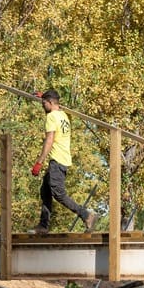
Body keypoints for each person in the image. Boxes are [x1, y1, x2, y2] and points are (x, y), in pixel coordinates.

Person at [31, 89, 98, 234]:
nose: (42, 106)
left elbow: (49, 140)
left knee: (58, 193)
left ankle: (86, 215)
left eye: (43, 104)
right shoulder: (64, 115)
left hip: (57, 160)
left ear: (50, 103)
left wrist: (39, 162)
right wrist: (43, 96)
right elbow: (55, 105)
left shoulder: (51, 117)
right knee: (45, 191)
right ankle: (43, 225)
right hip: (63, 159)